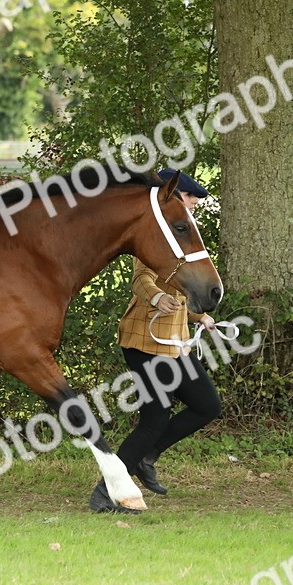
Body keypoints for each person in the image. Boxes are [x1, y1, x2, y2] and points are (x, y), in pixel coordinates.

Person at [89, 169, 222, 513]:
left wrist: (198, 317)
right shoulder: (155, 230)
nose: (194, 204)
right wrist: (154, 298)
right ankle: (108, 490)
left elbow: (182, 290)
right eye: (191, 198)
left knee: (207, 406)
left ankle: (147, 456)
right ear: (176, 197)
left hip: (175, 342)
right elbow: (142, 279)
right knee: (154, 418)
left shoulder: (183, 234)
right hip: (144, 342)